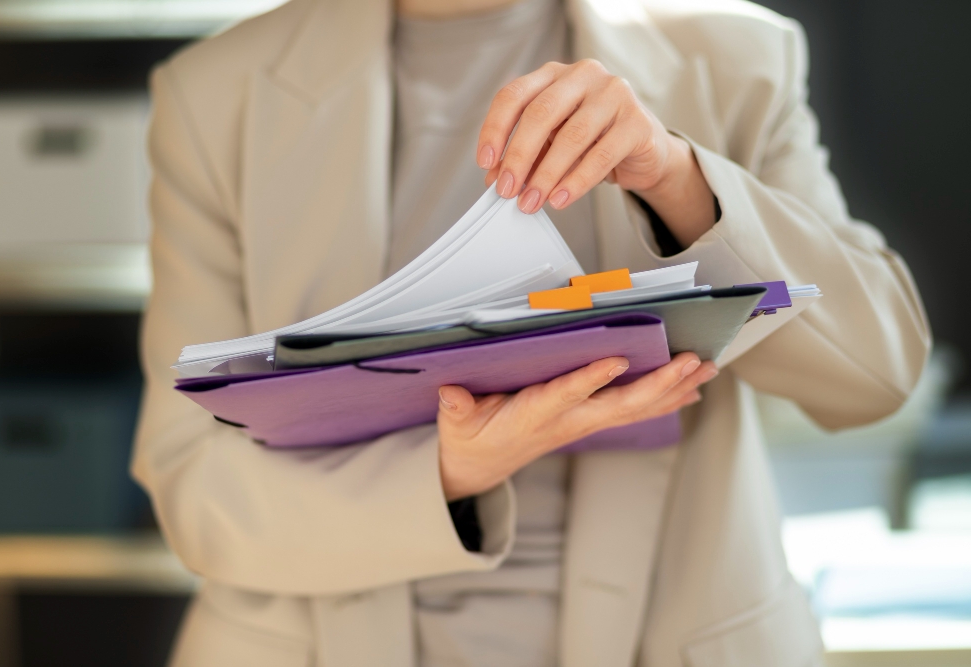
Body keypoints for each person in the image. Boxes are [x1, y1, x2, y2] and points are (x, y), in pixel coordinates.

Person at [133, 0, 931, 664]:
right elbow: (195, 489)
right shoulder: (216, 96)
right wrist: (450, 467)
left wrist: (675, 177)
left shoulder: (733, 55)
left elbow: (876, 377)